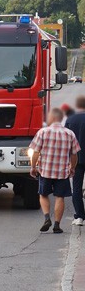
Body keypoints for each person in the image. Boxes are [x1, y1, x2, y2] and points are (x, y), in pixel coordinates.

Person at [30, 108, 80, 233]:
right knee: (60, 197)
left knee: (43, 194)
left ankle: (47, 218)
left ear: (52, 118)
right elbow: (74, 155)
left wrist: (33, 167)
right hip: (62, 172)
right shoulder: (69, 134)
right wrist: (72, 168)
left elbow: (35, 152)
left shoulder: (43, 132)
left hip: (45, 170)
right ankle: (57, 225)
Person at [65, 95, 85, 226]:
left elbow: (66, 142)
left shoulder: (71, 120)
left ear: (77, 106)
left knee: (76, 188)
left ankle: (79, 216)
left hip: (76, 159)